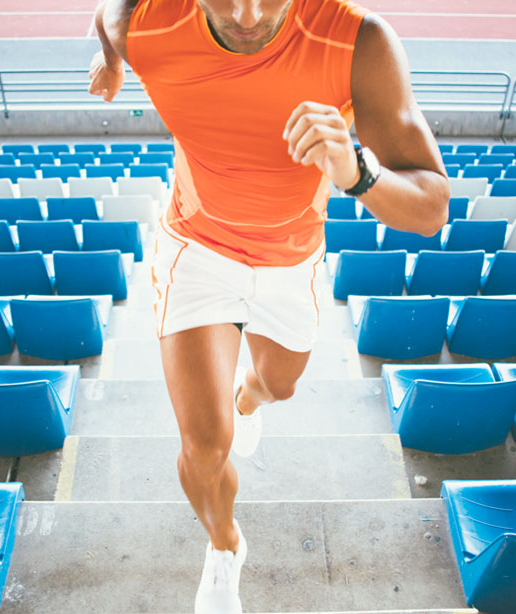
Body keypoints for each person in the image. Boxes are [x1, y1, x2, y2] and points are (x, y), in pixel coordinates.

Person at [89, 0, 449, 611]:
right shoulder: (146, 24)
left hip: (293, 259)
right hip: (197, 247)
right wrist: (110, 61)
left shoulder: (358, 42)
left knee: (277, 386)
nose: (249, 15)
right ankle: (226, 546)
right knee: (204, 447)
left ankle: (247, 397)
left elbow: (431, 205)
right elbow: (108, 16)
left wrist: (356, 170)